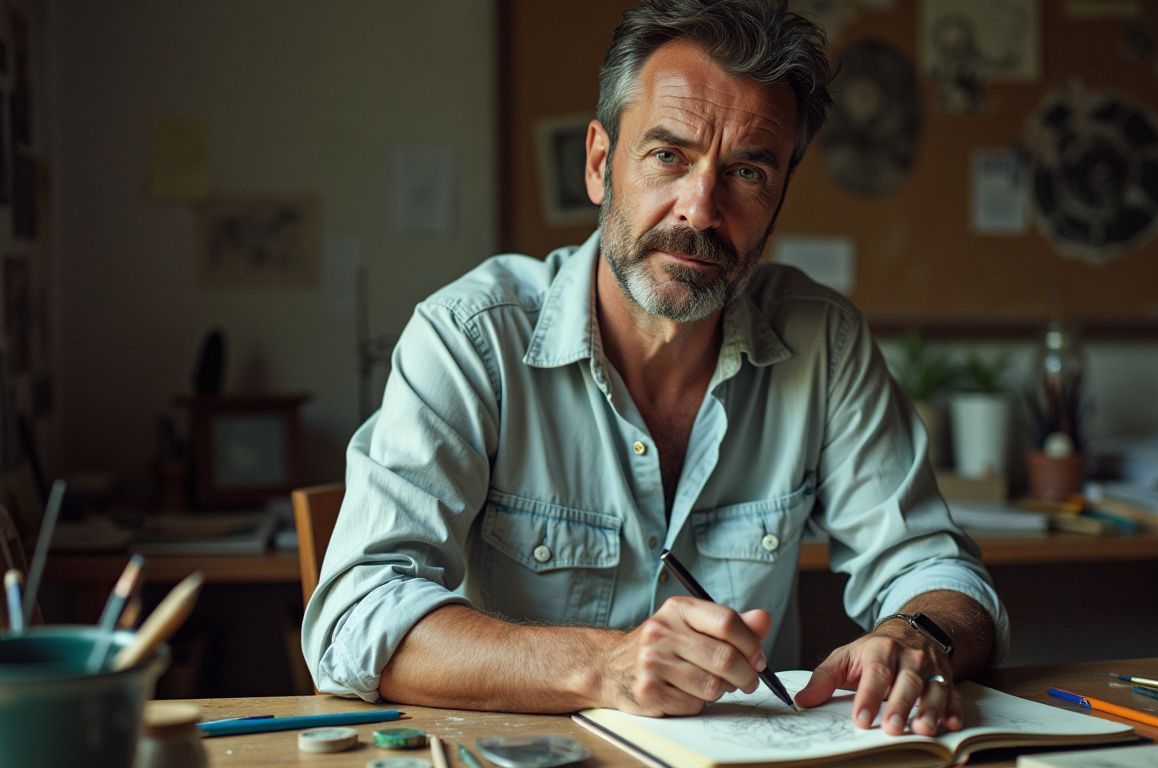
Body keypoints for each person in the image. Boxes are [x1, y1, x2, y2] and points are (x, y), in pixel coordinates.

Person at [302, 0, 1008, 738]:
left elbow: (941, 574)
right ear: (601, 163)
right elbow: (356, 616)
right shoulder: (468, 338)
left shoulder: (824, 342)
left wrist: (921, 635)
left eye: (746, 171)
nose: (700, 209)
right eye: (668, 155)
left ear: (778, 199)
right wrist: (604, 666)